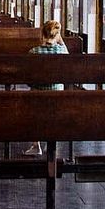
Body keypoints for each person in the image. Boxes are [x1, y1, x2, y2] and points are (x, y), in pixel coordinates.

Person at [24, 19, 69, 155]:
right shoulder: (62, 52)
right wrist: (60, 41)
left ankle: (35, 145)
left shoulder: (33, 52)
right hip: (57, 93)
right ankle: (52, 144)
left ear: (42, 35)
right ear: (57, 35)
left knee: (34, 113)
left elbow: (28, 79)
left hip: (37, 94)